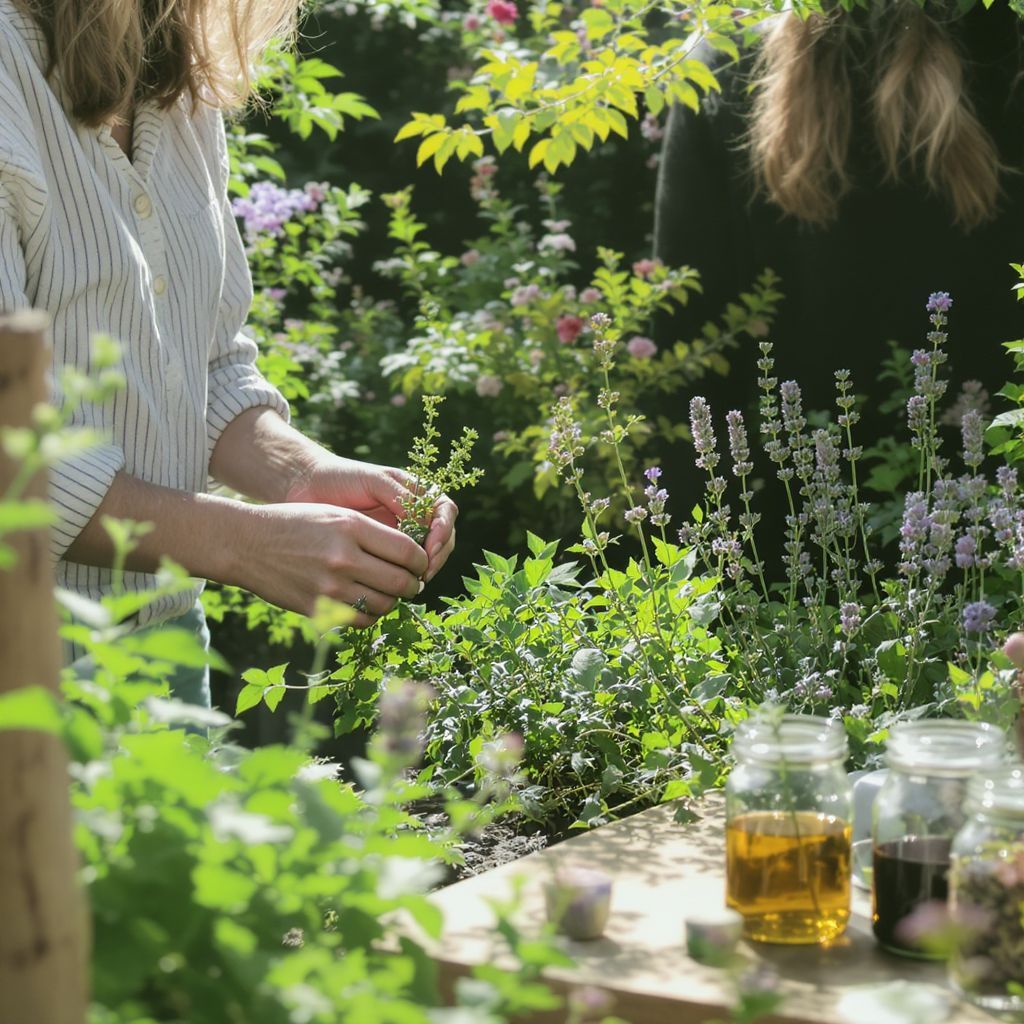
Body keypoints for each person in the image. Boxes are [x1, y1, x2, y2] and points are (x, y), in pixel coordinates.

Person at [0, 0, 456, 705]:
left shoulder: (171, 72)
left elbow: (206, 361)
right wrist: (239, 543)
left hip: (165, 636)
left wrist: (302, 474)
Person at [654, 0, 1024, 447]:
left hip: (797, 488)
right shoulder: (1005, 41)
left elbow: (688, 342)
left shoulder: (723, 63)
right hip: (997, 472)